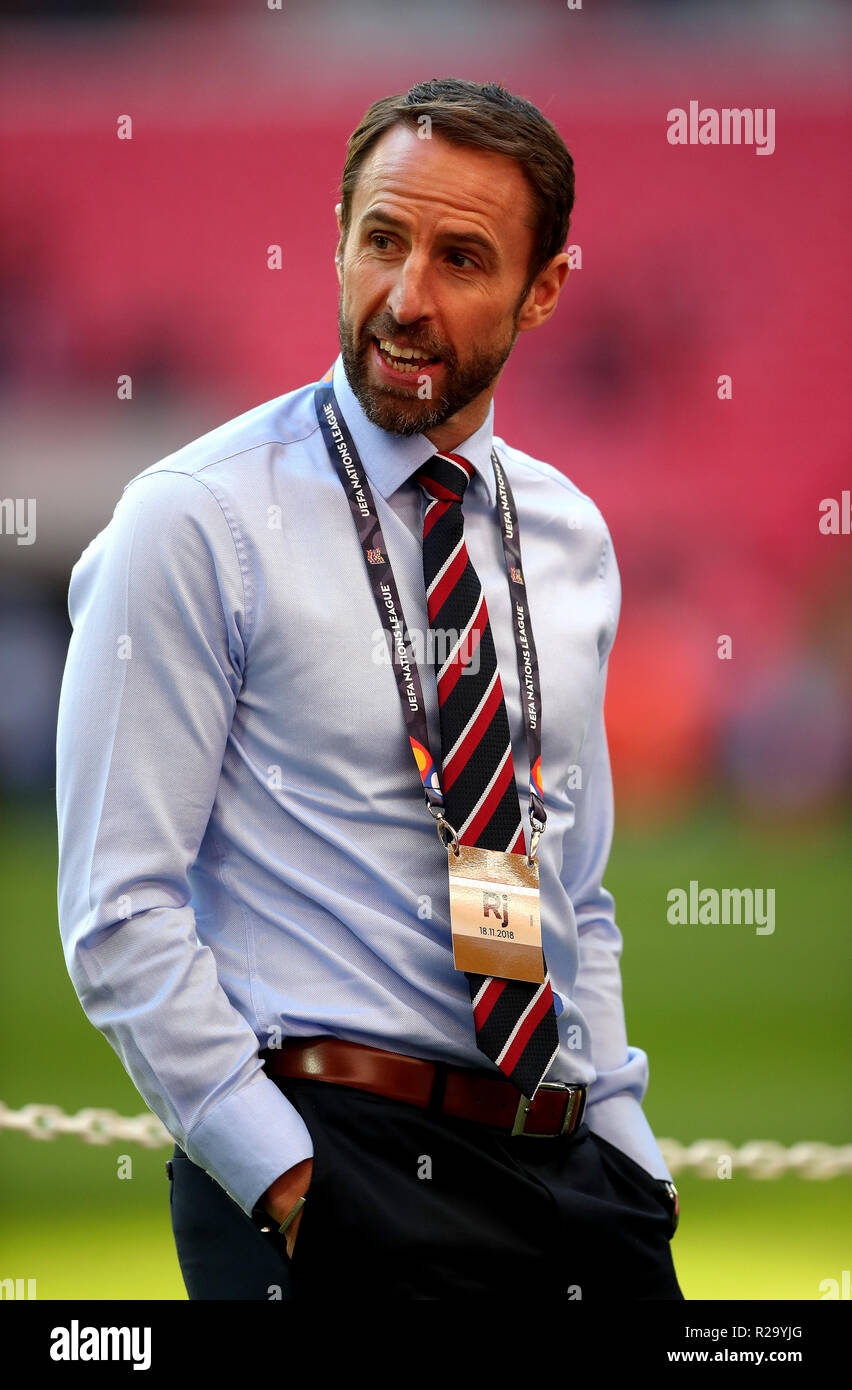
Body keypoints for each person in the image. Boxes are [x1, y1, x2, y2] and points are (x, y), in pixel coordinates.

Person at [56, 77, 683, 1301]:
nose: (406, 297)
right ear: (338, 233)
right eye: (383, 240)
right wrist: (281, 1177)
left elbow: (572, 892)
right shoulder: (197, 520)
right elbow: (117, 910)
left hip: (567, 1178)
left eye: (462, 258)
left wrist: (626, 1149)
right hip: (334, 1165)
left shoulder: (570, 538)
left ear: (543, 289)